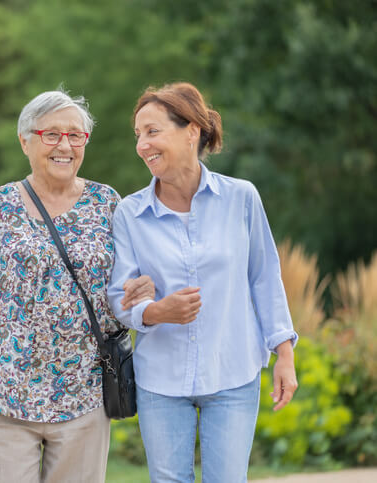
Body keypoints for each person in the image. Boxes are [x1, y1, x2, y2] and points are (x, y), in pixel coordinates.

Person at [0, 89, 153, 483]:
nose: (64, 145)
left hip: (84, 390)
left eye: (75, 135)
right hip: (4, 389)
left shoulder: (108, 203)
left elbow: (131, 281)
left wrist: (141, 291)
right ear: (25, 141)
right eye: (51, 134)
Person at [107, 82, 298, 483]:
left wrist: (284, 353)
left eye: (153, 131)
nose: (142, 145)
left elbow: (264, 277)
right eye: (138, 135)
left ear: (191, 130)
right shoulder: (129, 213)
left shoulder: (241, 198)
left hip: (232, 371)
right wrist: (158, 311)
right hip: (161, 378)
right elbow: (118, 295)